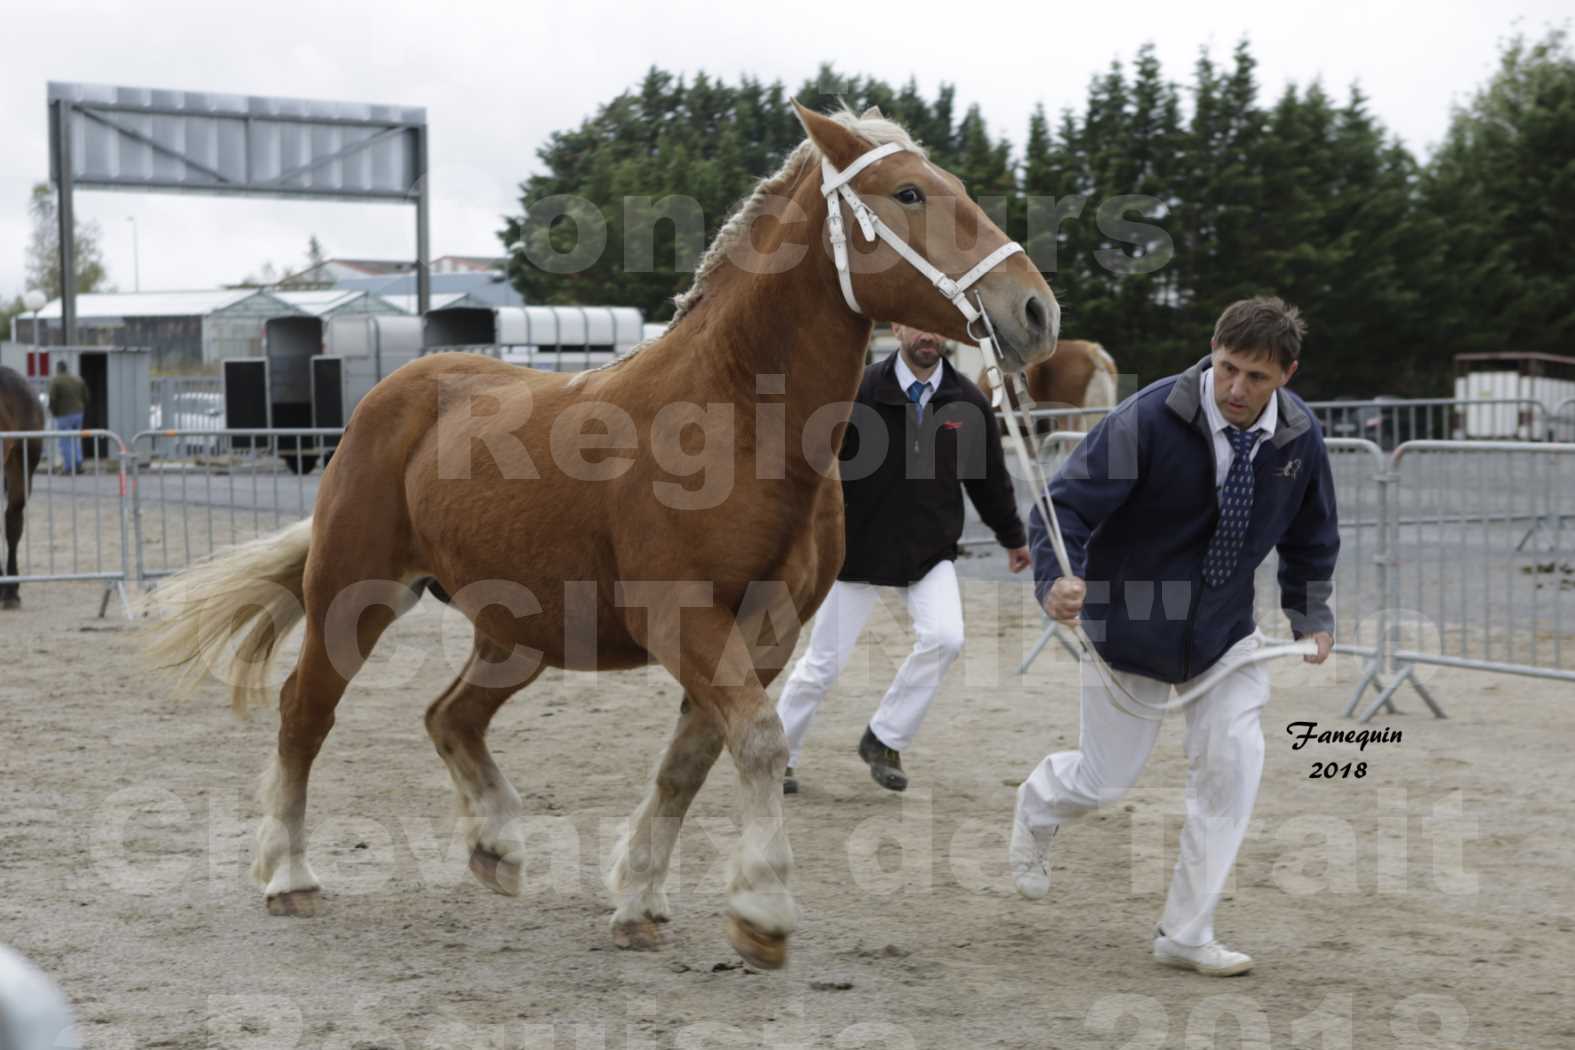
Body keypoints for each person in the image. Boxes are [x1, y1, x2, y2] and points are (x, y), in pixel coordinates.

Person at [1008, 296, 1339, 976]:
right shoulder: (1149, 417)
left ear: (1287, 374)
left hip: (1224, 637)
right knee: (1102, 783)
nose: (1237, 389)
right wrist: (1056, 579)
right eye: (1226, 369)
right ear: (1211, 353)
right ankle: (1037, 805)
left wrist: (1310, 615)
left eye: (1257, 377)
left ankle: (1186, 933)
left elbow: (1312, 534)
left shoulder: (1299, 436)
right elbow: (1063, 504)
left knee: (1231, 773)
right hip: (1130, 627)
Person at [776, 324, 1031, 794]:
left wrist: (1013, 537)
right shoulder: (858, 392)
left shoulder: (968, 403)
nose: (927, 336)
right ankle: (777, 755)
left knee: (946, 637)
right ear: (897, 329)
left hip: (929, 552)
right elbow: (812, 468)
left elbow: (989, 480)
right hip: (855, 552)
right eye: (916, 326)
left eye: (935, 327)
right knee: (822, 664)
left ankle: (884, 737)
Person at [47, 361, 89, 474]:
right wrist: (81, 408)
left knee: (65, 441)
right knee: (76, 439)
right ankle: (78, 463)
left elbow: (52, 399)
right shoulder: (78, 379)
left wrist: (54, 412)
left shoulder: (56, 381)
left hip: (64, 415)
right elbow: (86, 397)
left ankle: (69, 467)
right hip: (78, 414)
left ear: (58, 369)